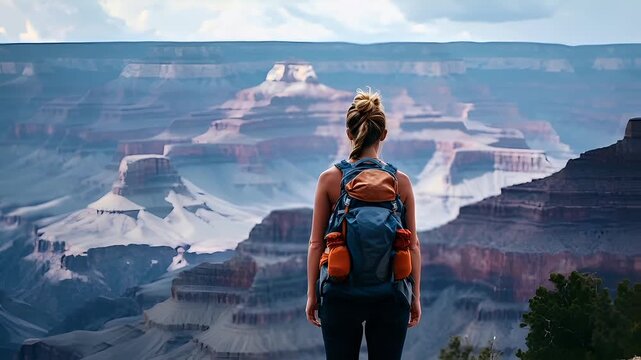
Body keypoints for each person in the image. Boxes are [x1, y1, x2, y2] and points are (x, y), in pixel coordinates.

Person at [306, 87, 422, 360]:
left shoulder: (330, 179)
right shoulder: (400, 182)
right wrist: (415, 296)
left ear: (349, 133)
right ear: (383, 134)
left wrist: (312, 294)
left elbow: (315, 243)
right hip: (391, 294)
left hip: (340, 292)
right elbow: (413, 244)